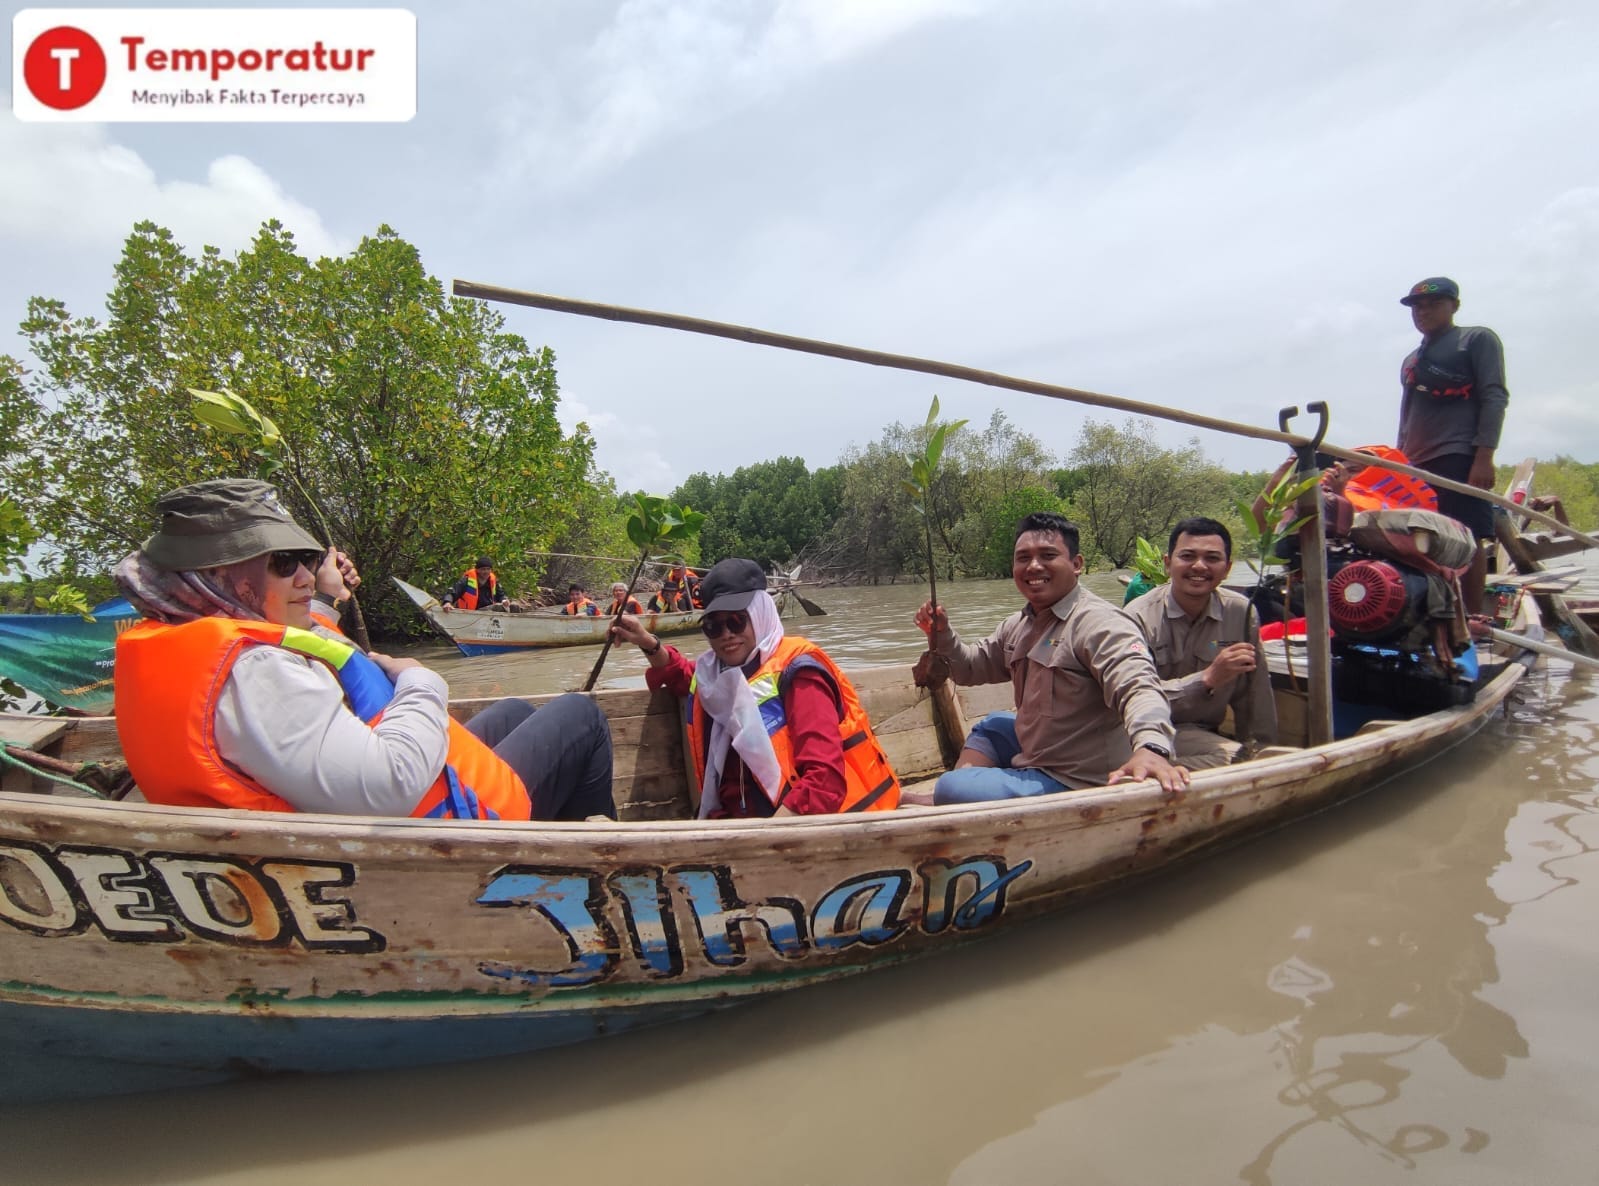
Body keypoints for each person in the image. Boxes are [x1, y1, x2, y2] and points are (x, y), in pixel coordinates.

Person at [112, 478, 614, 821]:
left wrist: (326, 596)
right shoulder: (254, 672)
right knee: (580, 713)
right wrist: (421, 679)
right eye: (285, 563)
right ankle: (578, 865)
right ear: (223, 575)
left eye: (307, 560)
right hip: (442, 839)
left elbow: (310, 651)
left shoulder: (206, 631)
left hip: (383, 799)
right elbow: (391, 784)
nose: (305, 575)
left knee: (512, 708)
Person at [915, 511, 1186, 803]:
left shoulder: (1100, 623)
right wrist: (941, 632)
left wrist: (1152, 748)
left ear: (1077, 564)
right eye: (1023, 558)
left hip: (1077, 777)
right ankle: (968, 796)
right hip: (1040, 749)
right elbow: (971, 667)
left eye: (1047, 555)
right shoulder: (1020, 624)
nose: (1033, 566)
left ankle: (957, 796)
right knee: (992, 726)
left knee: (950, 788)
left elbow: (1139, 686)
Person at [610, 557, 900, 819]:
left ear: (760, 614)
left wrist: (766, 839)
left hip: (793, 824)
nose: (726, 635)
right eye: (714, 627)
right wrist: (647, 641)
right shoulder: (714, 674)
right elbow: (680, 675)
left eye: (737, 621)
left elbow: (824, 780)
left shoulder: (800, 673)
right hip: (733, 820)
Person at [1123, 518, 1277, 769]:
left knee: (1255, 757)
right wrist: (1207, 679)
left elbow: (1254, 694)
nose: (1199, 566)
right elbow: (1132, 699)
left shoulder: (1240, 611)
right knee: (1231, 758)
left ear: (1227, 568)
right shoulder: (1137, 616)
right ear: (1167, 563)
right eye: (1187, 556)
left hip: (1204, 734)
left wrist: (1263, 750)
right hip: (1146, 731)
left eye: (1212, 558)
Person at [1396, 276, 1509, 614]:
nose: (1423, 311)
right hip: (1415, 463)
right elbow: (1407, 413)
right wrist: (1397, 460)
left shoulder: (1476, 339)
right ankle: (1439, 618)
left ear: (1454, 306)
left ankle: (1473, 620)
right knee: (1423, 542)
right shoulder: (1412, 360)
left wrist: (1484, 455)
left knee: (1468, 539)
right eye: (1417, 306)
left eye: (1433, 304)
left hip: (1459, 455)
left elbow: (1494, 396)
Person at [442, 556, 508, 612]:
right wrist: (447, 602)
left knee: (512, 606)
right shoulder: (466, 581)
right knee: (497, 607)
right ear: (477, 570)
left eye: (488, 569)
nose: (486, 572)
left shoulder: (493, 581)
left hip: (489, 614)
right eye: (483, 569)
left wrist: (504, 600)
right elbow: (452, 592)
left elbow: (501, 595)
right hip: (469, 613)